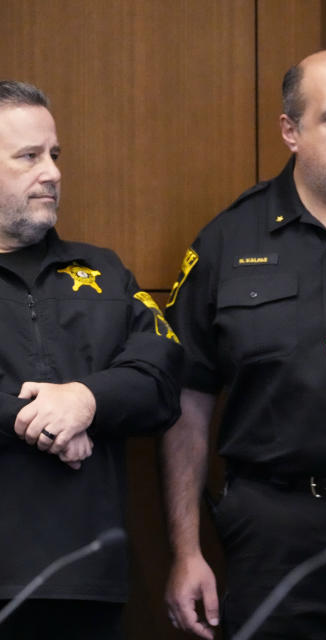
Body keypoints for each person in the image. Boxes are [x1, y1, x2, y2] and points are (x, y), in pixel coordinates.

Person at [161, 51, 326, 639]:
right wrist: (186, 550)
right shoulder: (229, 238)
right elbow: (188, 398)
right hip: (273, 527)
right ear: (291, 131)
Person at [0, 80, 182, 639]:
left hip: (87, 582)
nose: (51, 172)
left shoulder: (103, 272)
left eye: (54, 155)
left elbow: (162, 374)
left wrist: (85, 400)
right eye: (28, 157)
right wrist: (43, 422)